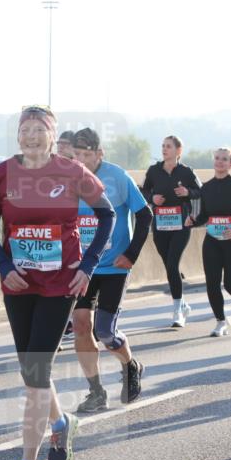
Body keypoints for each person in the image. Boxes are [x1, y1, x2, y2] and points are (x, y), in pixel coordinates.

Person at [0, 106, 114, 460]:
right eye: (25, 129)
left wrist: (88, 266)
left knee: (37, 371)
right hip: (19, 283)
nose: (32, 136)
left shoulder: (71, 171)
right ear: (18, 135)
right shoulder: (3, 173)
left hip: (60, 283)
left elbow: (106, 215)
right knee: (32, 371)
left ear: (53, 136)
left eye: (40, 129)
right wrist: (4, 266)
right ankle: (61, 421)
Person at [70, 127, 152, 412]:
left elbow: (145, 215)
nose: (80, 160)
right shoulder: (68, 179)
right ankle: (96, 392)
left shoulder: (117, 176)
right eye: (76, 155)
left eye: (86, 155)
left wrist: (131, 254)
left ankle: (130, 365)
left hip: (115, 267)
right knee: (81, 325)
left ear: (99, 154)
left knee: (105, 331)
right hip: (83, 267)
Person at [185, 146, 231, 336]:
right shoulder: (207, 187)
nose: (219, 162)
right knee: (212, 283)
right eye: (217, 158)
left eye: (224, 159)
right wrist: (193, 221)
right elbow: (205, 215)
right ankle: (220, 322)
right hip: (212, 241)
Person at [142, 136, 202, 327]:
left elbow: (201, 191)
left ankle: (177, 310)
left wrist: (188, 193)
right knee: (169, 266)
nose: (164, 149)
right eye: (163, 146)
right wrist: (152, 198)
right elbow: (143, 192)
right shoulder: (153, 171)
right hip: (160, 225)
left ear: (178, 150)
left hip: (181, 225)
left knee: (173, 264)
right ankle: (182, 303)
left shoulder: (186, 171)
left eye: (168, 146)